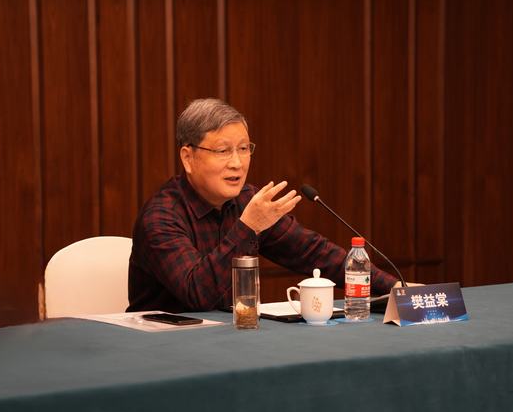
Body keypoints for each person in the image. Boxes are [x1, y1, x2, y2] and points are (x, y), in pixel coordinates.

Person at [127, 98, 397, 313]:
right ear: (188, 158)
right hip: (164, 349)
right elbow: (198, 294)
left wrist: (396, 288)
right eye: (223, 151)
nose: (237, 163)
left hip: (232, 338)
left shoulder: (246, 201)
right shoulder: (160, 217)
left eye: (244, 149)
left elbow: (313, 253)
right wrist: (247, 227)